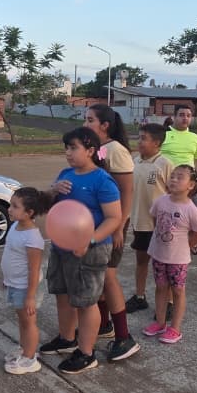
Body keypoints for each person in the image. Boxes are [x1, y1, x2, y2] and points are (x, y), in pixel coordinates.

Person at [39, 127, 123, 374]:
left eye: (73, 148)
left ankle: (87, 353)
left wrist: (91, 240)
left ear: (90, 151)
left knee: (86, 303)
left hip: (90, 251)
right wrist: (53, 191)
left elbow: (113, 218)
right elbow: (46, 205)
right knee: (63, 295)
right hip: (61, 247)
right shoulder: (65, 174)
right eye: (66, 148)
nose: (68, 153)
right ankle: (67, 339)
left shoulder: (102, 180)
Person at [83, 104, 140, 361]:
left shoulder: (117, 151)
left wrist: (118, 227)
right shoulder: (103, 149)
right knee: (100, 274)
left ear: (104, 125)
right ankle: (104, 324)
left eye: (90, 120)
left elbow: (127, 192)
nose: (86, 124)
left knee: (108, 276)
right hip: (101, 221)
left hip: (114, 223)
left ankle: (124, 337)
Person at [142, 164, 197, 344]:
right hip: (158, 253)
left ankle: (175, 328)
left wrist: (187, 245)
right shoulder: (161, 201)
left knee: (178, 291)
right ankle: (160, 322)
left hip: (178, 259)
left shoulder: (191, 210)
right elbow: (155, 219)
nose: (174, 179)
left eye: (180, 177)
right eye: (173, 176)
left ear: (191, 185)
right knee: (160, 287)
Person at [1, 187, 49, 375]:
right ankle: (24, 348)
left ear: (29, 213)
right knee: (22, 319)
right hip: (15, 283)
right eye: (10, 204)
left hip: (27, 288)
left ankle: (30, 359)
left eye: (15, 206)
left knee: (29, 322)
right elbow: (11, 254)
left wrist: (30, 296)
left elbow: (34, 269)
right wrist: (7, 279)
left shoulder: (33, 238)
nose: (10, 209)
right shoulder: (15, 226)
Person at [126, 122, 172, 314]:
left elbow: (174, 193)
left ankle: (168, 303)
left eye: (144, 138)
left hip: (159, 224)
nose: (139, 141)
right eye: (139, 137)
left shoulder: (165, 164)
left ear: (157, 143)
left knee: (163, 265)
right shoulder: (134, 162)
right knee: (141, 260)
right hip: (140, 222)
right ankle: (139, 296)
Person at [161, 104, 197, 190]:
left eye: (188, 116)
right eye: (181, 115)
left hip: (188, 184)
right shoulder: (162, 134)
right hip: (165, 183)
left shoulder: (195, 137)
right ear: (174, 117)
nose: (185, 118)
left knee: (193, 203)